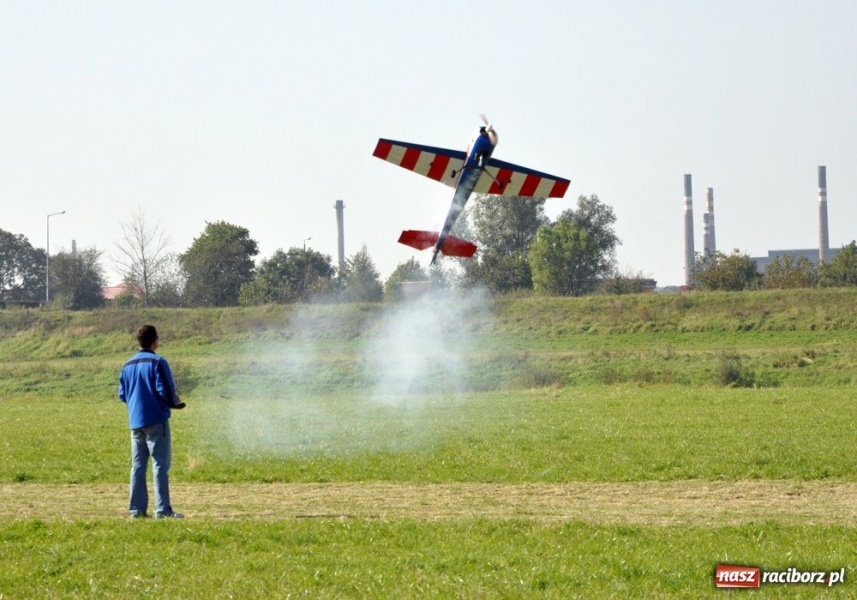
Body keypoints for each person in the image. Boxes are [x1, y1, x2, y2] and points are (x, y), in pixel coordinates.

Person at [118, 325, 186, 519]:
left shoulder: (127, 365)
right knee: (160, 464)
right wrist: (176, 403)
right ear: (155, 341)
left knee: (138, 467)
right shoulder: (157, 362)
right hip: (156, 419)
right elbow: (164, 388)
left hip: (135, 422)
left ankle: (136, 511)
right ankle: (163, 510)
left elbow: (123, 395)